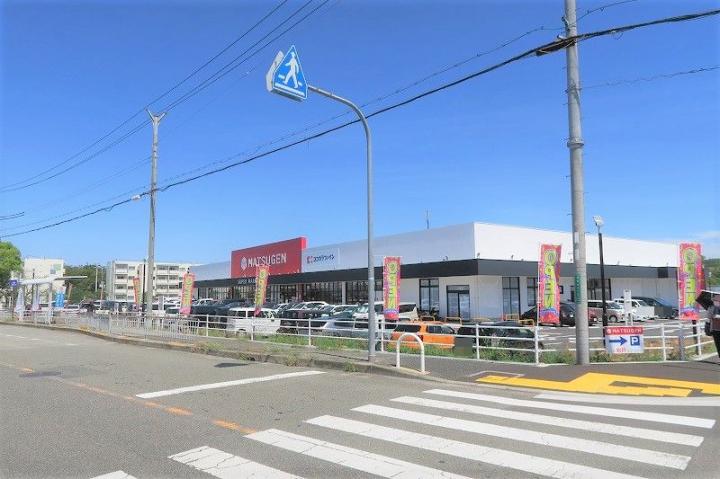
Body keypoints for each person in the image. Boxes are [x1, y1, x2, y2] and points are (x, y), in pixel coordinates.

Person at [708, 293, 720, 360]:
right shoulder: (711, 307)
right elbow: (708, 317)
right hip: (714, 329)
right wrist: (711, 315)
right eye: (714, 298)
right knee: (718, 344)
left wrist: (717, 316)